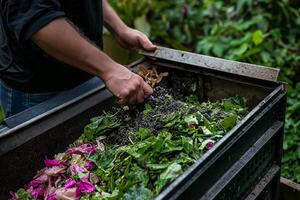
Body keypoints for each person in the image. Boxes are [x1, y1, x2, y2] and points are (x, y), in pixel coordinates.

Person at [0, 0, 156, 117]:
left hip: (88, 73)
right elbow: (36, 18)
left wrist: (119, 28)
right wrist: (110, 70)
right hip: (40, 91)